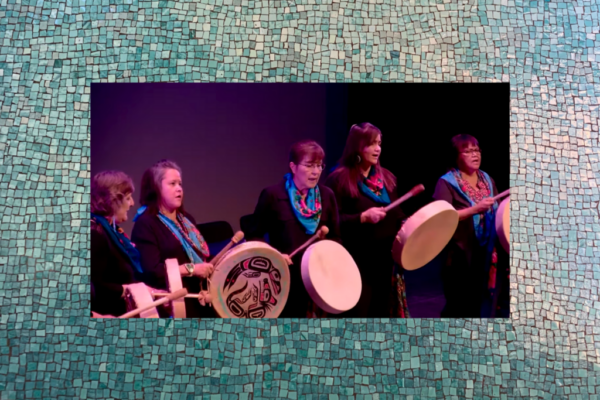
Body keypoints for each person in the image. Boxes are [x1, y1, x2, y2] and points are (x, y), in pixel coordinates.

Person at [248, 140, 342, 318]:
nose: (316, 172)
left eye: (319, 166)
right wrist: (274, 255)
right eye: (309, 165)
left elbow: (336, 237)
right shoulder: (273, 195)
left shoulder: (327, 195)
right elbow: (254, 235)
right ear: (293, 166)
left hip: (318, 277)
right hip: (284, 278)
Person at [325, 123, 410, 318]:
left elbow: (397, 214)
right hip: (356, 261)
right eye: (371, 144)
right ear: (357, 146)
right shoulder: (338, 179)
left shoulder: (385, 178)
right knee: (358, 315)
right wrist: (362, 218)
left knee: (380, 314)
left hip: (384, 260)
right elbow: (332, 223)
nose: (377, 149)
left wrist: (407, 224)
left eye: (379, 143)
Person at [432, 134, 508, 318]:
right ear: (456, 156)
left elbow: (499, 212)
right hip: (460, 255)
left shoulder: (487, 180)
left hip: (487, 252)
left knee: (481, 304)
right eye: (468, 151)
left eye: (477, 150)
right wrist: (475, 210)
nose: (475, 155)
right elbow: (442, 217)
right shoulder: (446, 182)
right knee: (459, 306)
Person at [131, 160, 215, 318]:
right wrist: (191, 269)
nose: (179, 189)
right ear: (156, 188)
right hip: (174, 304)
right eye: (172, 184)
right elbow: (152, 271)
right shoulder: (146, 224)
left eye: (180, 184)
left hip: (201, 296)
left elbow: (201, 255)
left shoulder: (186, 219)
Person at [91, 170, 158, 317]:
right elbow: (95, 287)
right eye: (128, 198)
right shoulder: (95, 234)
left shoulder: (112, 231)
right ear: (114, 201)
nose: (132, 203)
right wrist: (130, 290)